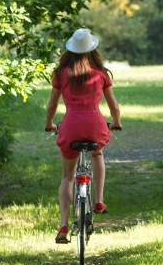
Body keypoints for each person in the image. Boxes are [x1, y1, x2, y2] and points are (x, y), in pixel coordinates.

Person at [44, 28, 122, 243]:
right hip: (95, 124)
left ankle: (63, 225)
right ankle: (98, 200)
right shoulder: (101, 74)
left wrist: (49, 123)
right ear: (92, 49)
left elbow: (52, 103)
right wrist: (116, 122)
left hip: (70, 126)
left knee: (68, 177)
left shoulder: (61, 73)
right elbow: (114, 105)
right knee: (97, 154)